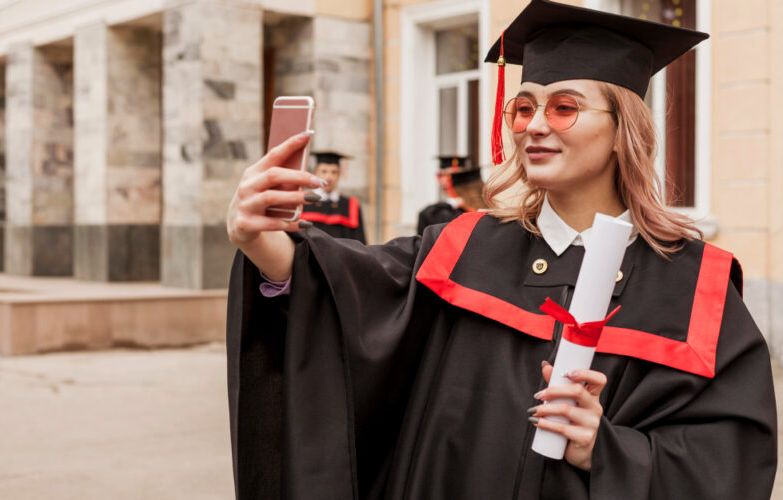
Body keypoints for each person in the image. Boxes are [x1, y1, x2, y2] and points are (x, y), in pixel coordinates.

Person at [224, 1, 777, 498]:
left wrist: (605, 450)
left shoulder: (691, 283)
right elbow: (344, 291)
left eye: (564, 107)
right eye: (523, 108)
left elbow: (728, 460)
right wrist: (260, 237)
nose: (534, 126)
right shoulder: (465, 247)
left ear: (622, 130)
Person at [299, 151, 367, 244]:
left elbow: (360, 242)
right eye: (324, 171)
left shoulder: (350, 205)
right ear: (316, 174)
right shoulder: (304, 202)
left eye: (334, 172)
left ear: (339, 175)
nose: (329, 177)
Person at [416, 156, 486, 236]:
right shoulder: (445, 210)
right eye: (440, 175)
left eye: (450, 176)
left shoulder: (450, 214)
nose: (444, 180)